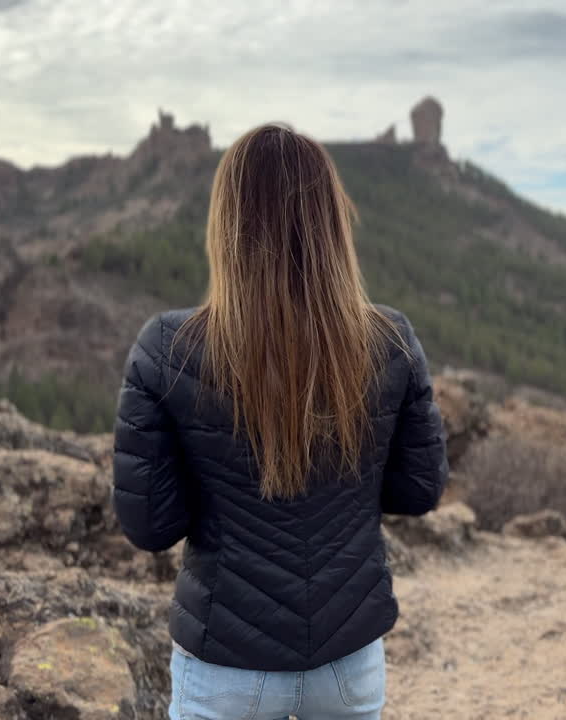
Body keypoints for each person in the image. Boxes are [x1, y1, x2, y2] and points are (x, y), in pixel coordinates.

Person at [110, 123, 448, 720]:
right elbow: (419, 490)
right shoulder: (390, 341)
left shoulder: (168, 349)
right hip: (347, 657)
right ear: (332, 225)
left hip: (224, 658)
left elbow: (151, 526)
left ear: (226, 226)